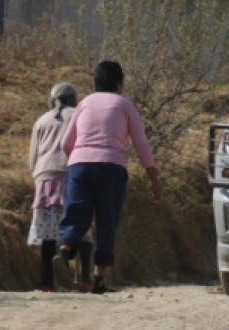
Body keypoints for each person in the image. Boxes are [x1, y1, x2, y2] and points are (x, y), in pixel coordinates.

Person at [54, 61, 162, 294]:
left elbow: (65, 144)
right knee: (106, 221)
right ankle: (99, 280)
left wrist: (79, 162)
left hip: (79, 165)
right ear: (118, 83)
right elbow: (142, 146)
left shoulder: (83, 104)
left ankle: (65, 248)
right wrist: (153, 179)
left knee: (76, 213)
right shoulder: (124, 104)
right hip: (110, 168)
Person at [27, 82, 93, 292]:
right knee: (83, 230)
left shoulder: (41, 121)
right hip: (73, 176)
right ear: (73, 99)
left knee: (48, 235)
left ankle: (46, 283)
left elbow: (33, 159)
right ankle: (84, 280)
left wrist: (39, 177)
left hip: (45, 179)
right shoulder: (80, 115)